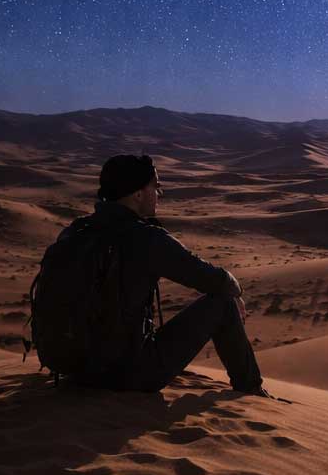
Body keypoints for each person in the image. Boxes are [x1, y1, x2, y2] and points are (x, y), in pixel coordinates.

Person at [81, 153, 269, 396]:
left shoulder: (77, 232)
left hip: (76, 370)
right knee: (223, 304)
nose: (159, 193)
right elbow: (212, 279)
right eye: (155, 186)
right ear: (138, 194)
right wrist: (235, 292)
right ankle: (251, 391)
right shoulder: (145, 238)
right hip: (127, 374)